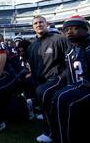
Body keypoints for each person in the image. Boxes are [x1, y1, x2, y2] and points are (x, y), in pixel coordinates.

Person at [50, 15, 90, 143]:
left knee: (62, 97)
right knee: (56, 96)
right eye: (67, 29)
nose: (70, 31)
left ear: (86, 30)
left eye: (75, 28)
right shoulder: (70, 50)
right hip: (79, 87)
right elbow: (70, 77)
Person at [28, 15, 71, 143]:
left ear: (46, 24)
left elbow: (71, 60)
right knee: (39, 90)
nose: (38, 25)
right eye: (35, 23)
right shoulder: (31, 47)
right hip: (42, 82)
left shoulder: (59, 39)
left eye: (41, 22)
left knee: (43, 91)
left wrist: (65, 77)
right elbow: (33, 70)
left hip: (59, 78)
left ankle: (51, 132)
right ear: (33, 27)